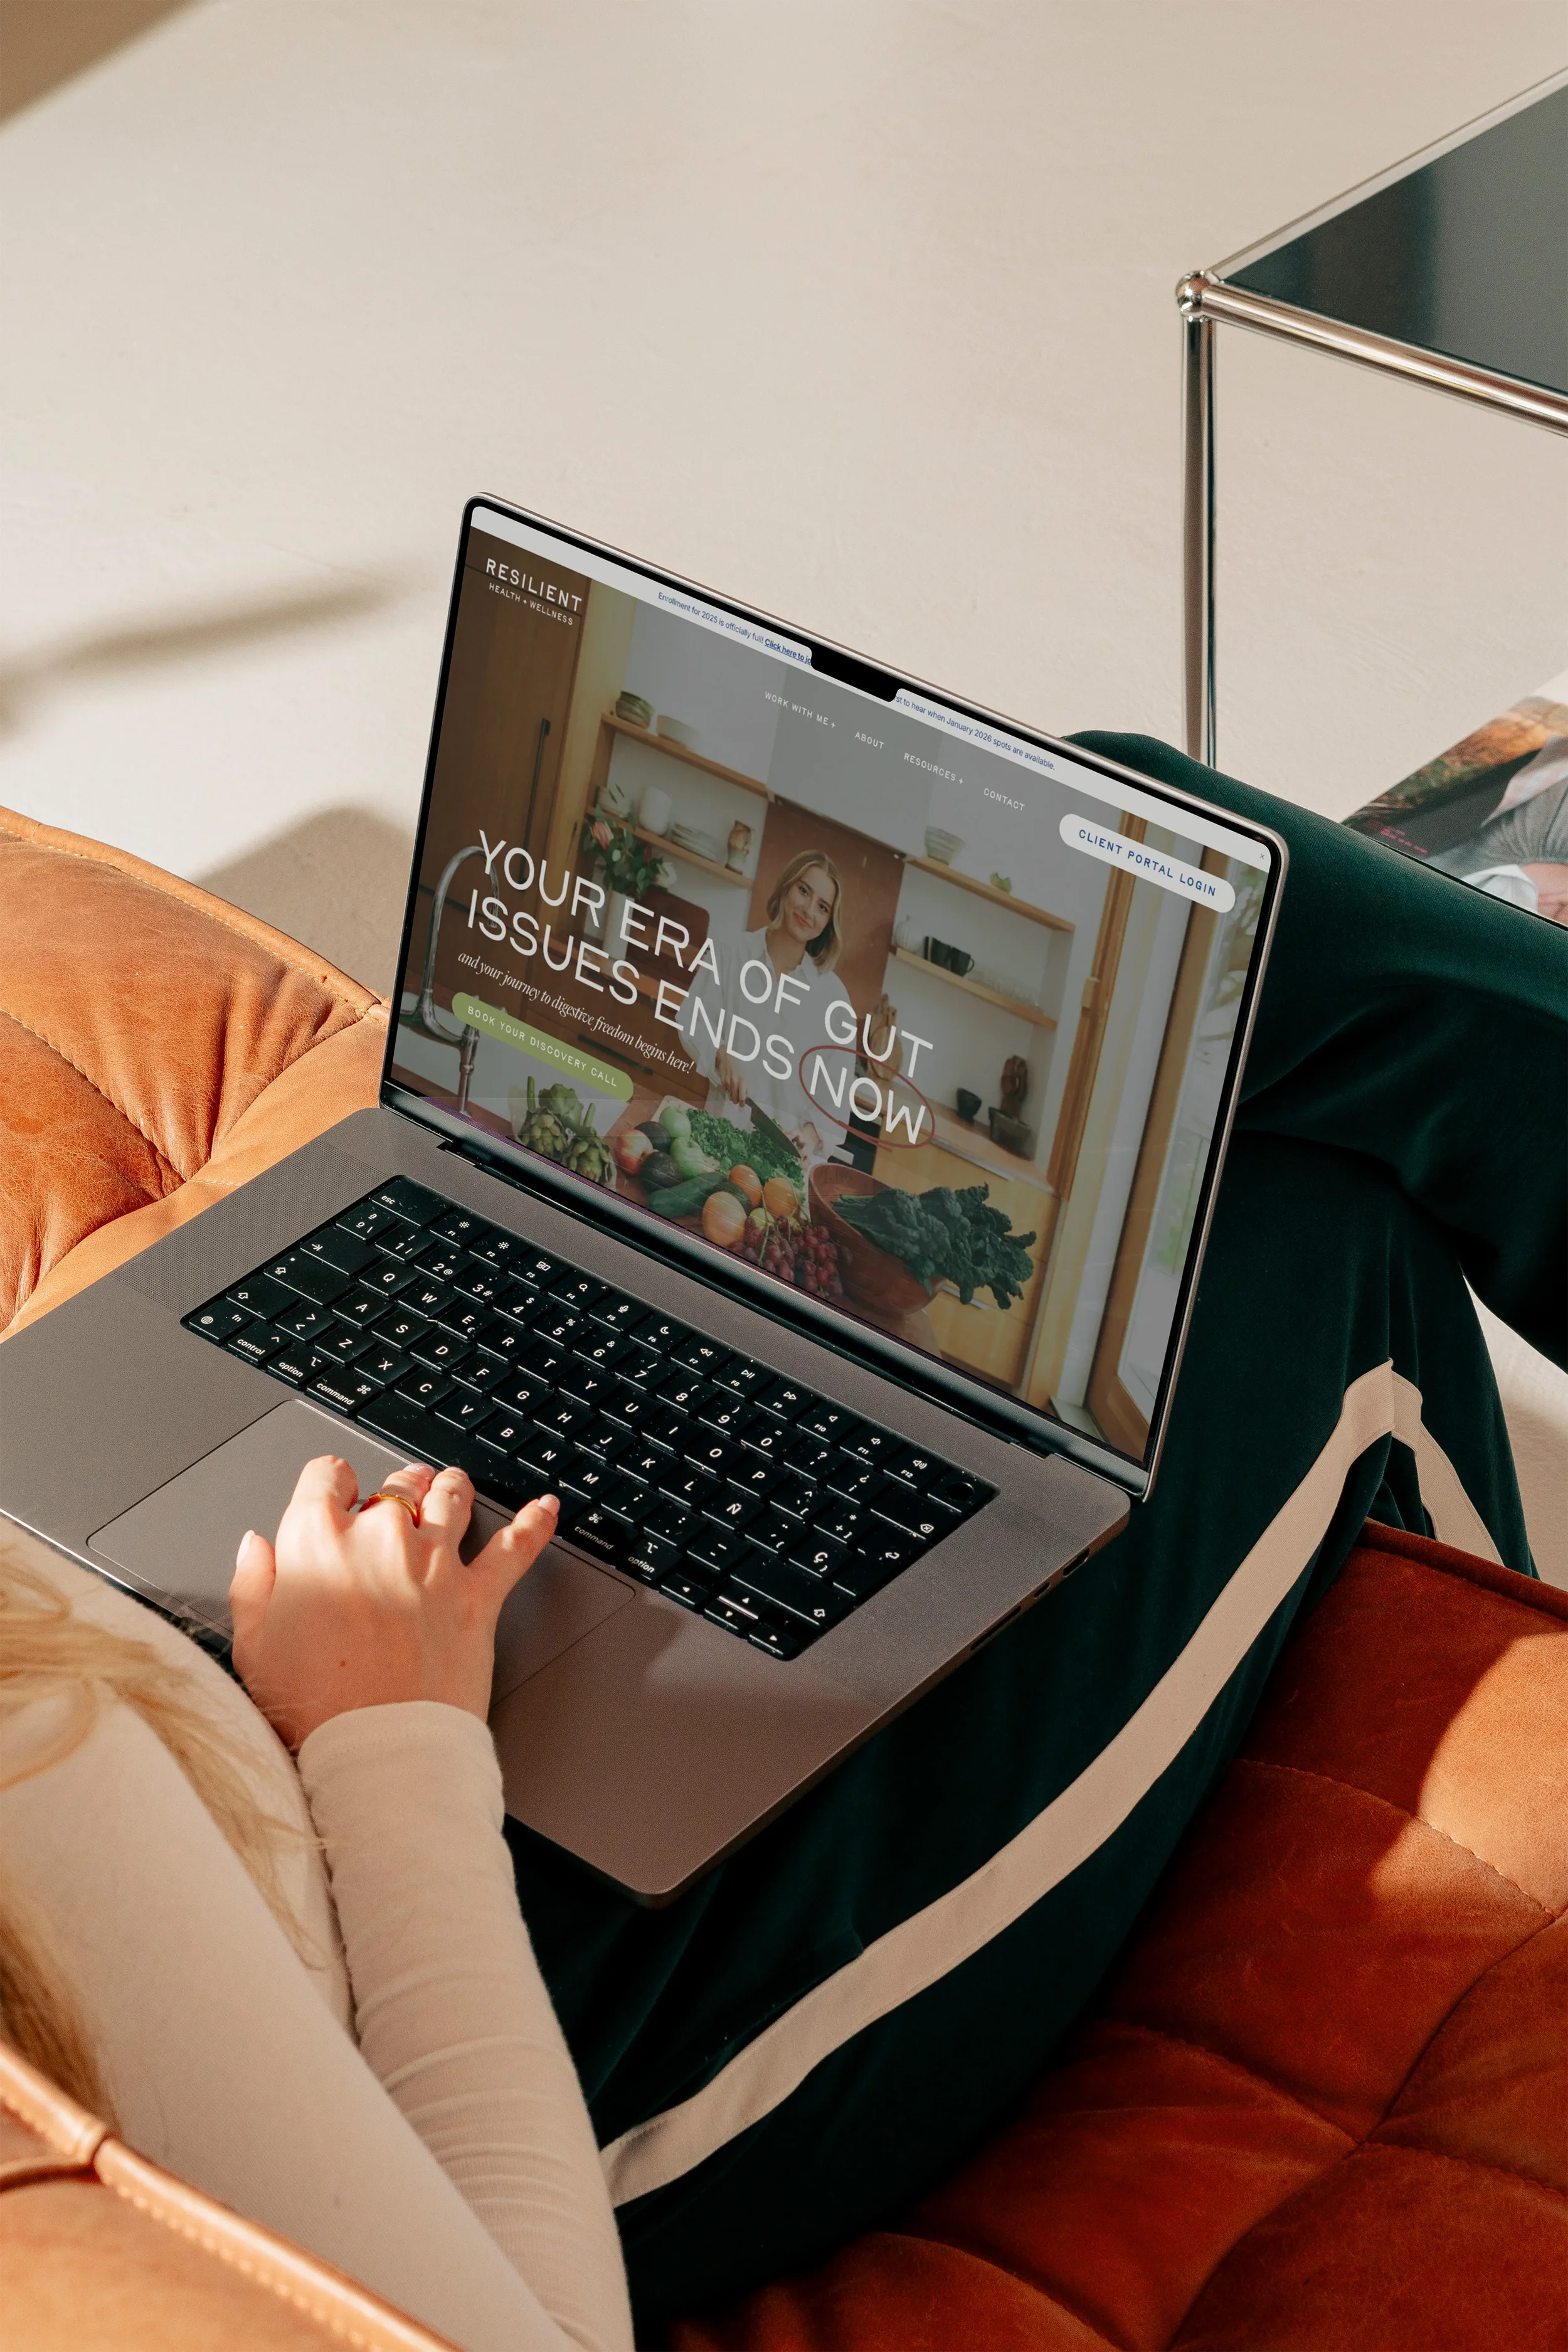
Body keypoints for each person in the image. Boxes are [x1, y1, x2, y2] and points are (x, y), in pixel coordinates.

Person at [2, 736, 1563, 2344]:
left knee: (1140, 857)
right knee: (1310, 1224)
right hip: (523, 1987)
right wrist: (382, 1736)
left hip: (248, 1648)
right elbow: (505, 2323)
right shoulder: (47, 1785)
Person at [679, 849, 861, 1155]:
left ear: (829, 922)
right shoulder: (731, 951)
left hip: (781, 1163)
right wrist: (721, 1054)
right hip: (715, 1141)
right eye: (803, 891)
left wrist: (812, 1134)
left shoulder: (834, 999)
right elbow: (693, 1021)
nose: (808, 910)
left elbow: (835, 1100)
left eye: (823, 907)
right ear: (787, 887)